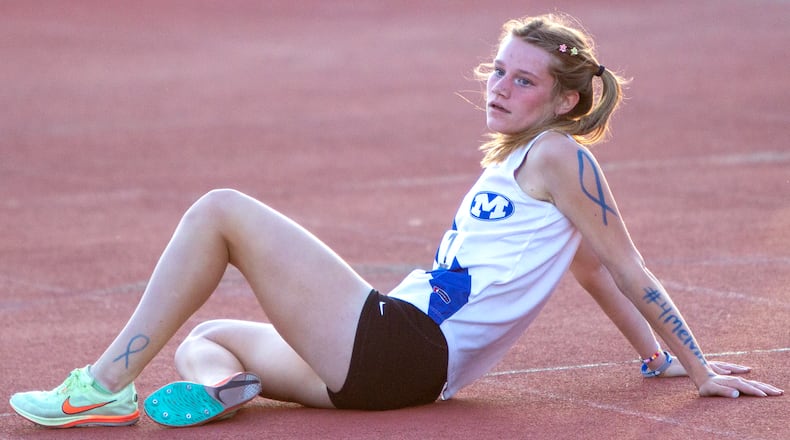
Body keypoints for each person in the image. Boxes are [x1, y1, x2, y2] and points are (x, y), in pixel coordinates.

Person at [9, 12, 782, 429]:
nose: (501, 87)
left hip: (403, 341)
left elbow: (626, 264)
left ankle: (106, 384)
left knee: (221, 212)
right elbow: (587, 267)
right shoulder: (524, 170)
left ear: (565, 101)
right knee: (207, 338)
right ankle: (223, 390)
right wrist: (654, 358)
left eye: (524, 79)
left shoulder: (556, 156)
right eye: (498, 72)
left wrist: (701, 367)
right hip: (385, 379)